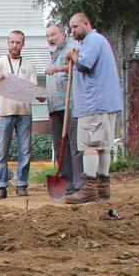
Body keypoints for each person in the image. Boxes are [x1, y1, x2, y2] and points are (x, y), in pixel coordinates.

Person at [64, 13, 124, 204]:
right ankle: (103, 187)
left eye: (75, 26)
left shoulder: (92, 40)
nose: (72, 31)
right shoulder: (97, 41)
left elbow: (84, 65)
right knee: (103, 146)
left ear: (86, 24)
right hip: (105, 103)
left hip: (93, 104)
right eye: (71, 27)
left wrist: (74, 55)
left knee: (90, 146)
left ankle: (89, 188)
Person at [0, 30, 41, 199]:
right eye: (12, 42)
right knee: (1, 151)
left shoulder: (29, 65)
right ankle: (1, 186)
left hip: (24, 112)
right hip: (4, 112)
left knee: (25, 150)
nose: (15, 46)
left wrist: (39, 95)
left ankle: (21, 184)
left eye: (18, 43)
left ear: (23, 45)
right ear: (7, 43)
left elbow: (34, 88)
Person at [44, 24, 83, 196]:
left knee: (74, 144)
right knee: (60, 146)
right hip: (55, 107)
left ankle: (78, 182)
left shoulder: (71, 47)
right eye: (48, 36)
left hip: (70, 105)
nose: (50, 39)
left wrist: (57, 69)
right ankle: (66, 181)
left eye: (53, 35)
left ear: (63, 34)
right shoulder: (53, 53)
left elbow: (77, 66)